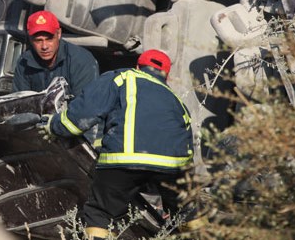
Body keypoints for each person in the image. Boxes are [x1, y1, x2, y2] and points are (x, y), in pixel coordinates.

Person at [39, 49, 193, 239]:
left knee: (100, 214)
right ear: (166, 76)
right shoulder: (175, 99)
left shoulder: (123, 77)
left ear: (137, 66)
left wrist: (54, 126)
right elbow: (187, 140)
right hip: (172, 167)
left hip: (124, 161)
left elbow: (85, 112)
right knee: (187, 211)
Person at [12, 10, 99, 96]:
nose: (44, 46)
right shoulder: (24, 62)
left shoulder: (81, 61)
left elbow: (86, 105)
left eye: (49, 39)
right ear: (30, 39)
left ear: (59, 34)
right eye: (38, 40)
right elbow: (19, 103)